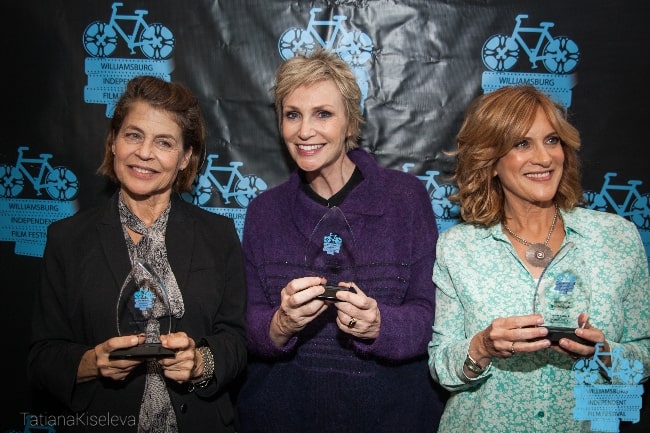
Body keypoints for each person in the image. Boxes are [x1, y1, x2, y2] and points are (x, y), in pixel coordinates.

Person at [235, 48, 447, 433]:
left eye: (323, 114)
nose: (304, 131)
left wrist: (380, 324)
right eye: (292, 114)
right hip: (283, 418)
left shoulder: (406, 198)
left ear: (351, 121)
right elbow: (245, 324)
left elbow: (429, 315)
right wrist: (280, 324)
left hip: (391, 418)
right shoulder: (264, 212)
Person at [28, 75, 247, 433]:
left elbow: (236, 340)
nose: (144, 153)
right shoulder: (67, 239)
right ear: (113, 142)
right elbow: (42, 357)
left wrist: (200, 362)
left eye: (164, 142)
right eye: (133, 135)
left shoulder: (218, 235)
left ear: (184, 158)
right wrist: (91, 362)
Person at [427, 84, 650, 432]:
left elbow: (643, 356)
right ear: (491, 162)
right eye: (521, 144)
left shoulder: (616, 238)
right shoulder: (459, 247)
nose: (545, 158)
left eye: (552, 140)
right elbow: (442, 368)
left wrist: (604, 352)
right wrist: (483, 346)